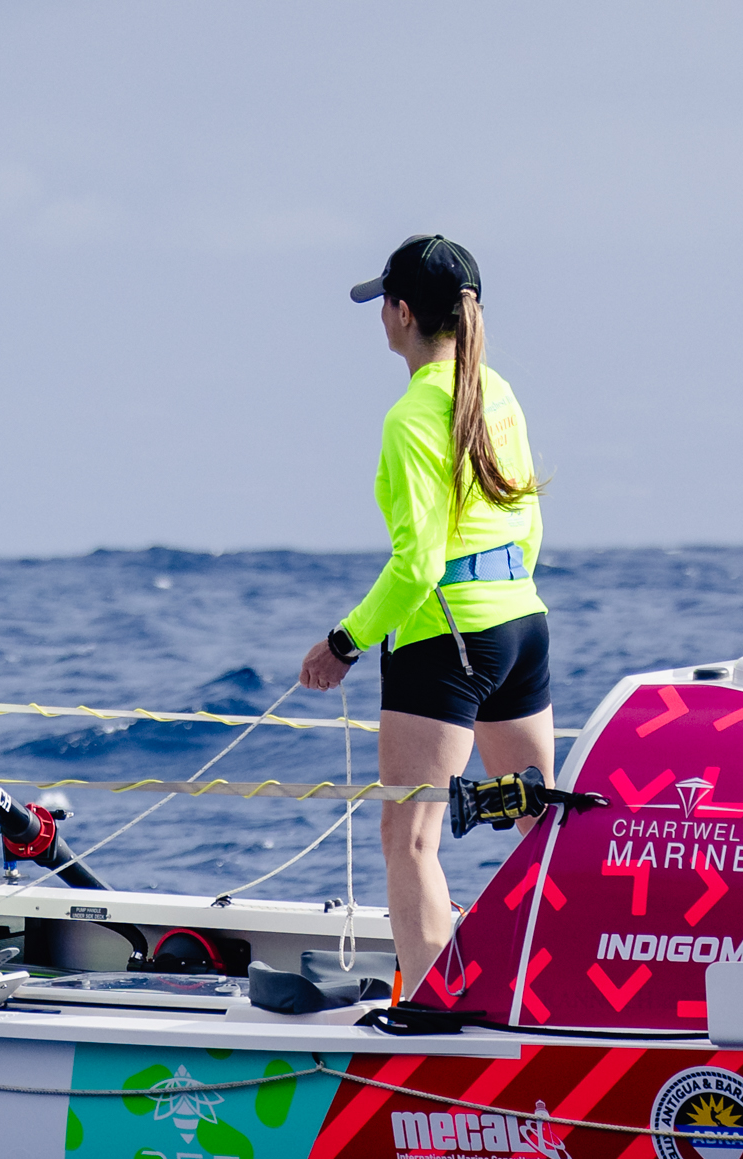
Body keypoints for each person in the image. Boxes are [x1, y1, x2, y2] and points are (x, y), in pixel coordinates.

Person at [293, 234, 548, 997]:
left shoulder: (409, 417)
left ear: (402, 314)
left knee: (409, 839)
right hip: (523, 626)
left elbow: (420, 566)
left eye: (385, 306)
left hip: (449, 642)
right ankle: (552, 987)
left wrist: (345, 642)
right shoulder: (498, 392)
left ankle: (436, 1016)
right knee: (539, 826)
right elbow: (528, 523)